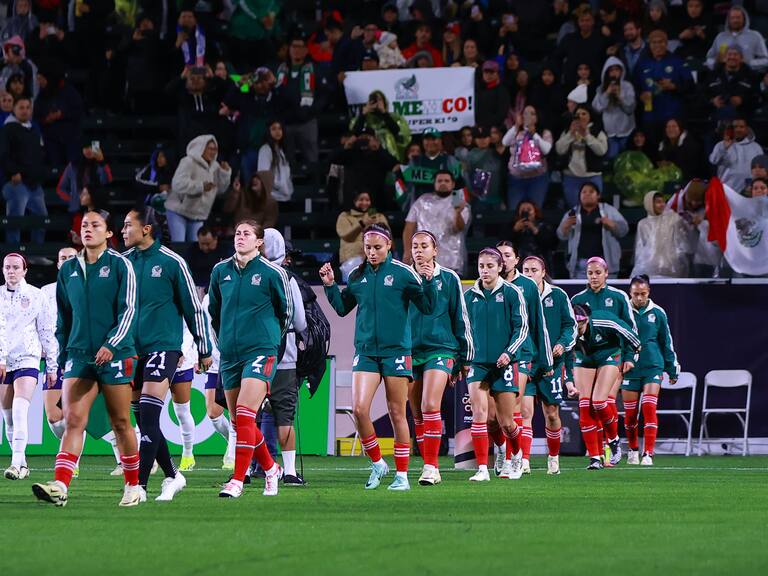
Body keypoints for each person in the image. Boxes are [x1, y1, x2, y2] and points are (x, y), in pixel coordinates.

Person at [32, 209, 141, 507]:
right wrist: (65, 354)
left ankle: (133, 485)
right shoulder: (67, 270)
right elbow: (63, 319)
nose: (88, 229)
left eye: (95, 225)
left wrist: (112, 343)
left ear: (109, 233)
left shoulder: (121, 265)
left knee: (120, 422)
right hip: (79, 356)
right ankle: (60, 486)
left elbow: (129, 310)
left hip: (116, 354)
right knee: (73, 421)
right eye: (84, 226)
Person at [320, 224, 436, 491]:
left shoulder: (404, 274)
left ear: (389, 246)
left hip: (396, 351)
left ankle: (403, 475)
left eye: (377, 247)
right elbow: (341, 309)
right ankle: (377, 462)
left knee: (397, 413)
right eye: (368, 247)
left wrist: (429, 283)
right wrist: (329, 286)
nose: (372, 252)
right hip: (366, 352)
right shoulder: (357, 276)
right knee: (359, 409)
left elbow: (427, 307)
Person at [121, 206, 212, 501]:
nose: (123, 231)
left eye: (127, 225)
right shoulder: (122, 264)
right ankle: (173, 476)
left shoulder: (173, 262)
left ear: (146, 229)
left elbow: (193, 308)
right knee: (144, 420)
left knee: (148, 416)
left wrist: (204, 347)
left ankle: (140, 487)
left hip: (164, 347)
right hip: (132, 351)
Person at [208, 220, 289, 498]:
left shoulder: (272, 272)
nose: (240, 237)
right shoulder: (220, 271)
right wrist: (222, 341)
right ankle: (271, 469)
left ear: (259, 242)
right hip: (230, 354)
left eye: (246, 234)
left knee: (245, 412)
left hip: (261, 350)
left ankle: (238, 480)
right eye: (237, 232)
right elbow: (215, 311)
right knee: (240, 422)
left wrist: (270, 341)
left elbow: (285, 312)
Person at [407, 230, 473, 485]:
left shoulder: (449, 278)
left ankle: (431, 468)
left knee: (430, 405)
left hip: (441, 349)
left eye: (424, 246)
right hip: (410, 351)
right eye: (415, 246)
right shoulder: (403, 277)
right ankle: (427, 463)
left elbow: (460, 317)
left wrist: (464, 357)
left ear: (435, 251)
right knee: (417, 414)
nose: (419, 250)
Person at [463, 247, 528, 482]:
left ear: (500, 267)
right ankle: (482, 469)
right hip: (478, 364)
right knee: (481, 416)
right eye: (481, 266)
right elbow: (463, 330)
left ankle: (517, 455)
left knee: (505, 421)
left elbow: (522, 329)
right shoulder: (469, 297)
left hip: (505, 364)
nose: (485, 270)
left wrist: (509, 353)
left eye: (490, 266)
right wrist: (464, 358)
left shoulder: (512, 293)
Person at [571, 257, 639, 468]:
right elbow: (567, 335)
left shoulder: (618, 297)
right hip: (585, 355)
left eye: (598, 272)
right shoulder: (578, 299)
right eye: (590, 273)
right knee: (585, 404)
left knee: (601, 402)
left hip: (610, 353)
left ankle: (613, 442)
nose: (593, 276)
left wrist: (629, 357)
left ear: (606, 274)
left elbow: (630, 330)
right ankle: (595, 456)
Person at [496, 242, 553, 475]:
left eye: (508, 255)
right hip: (494, 355)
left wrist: (546, 360)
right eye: (500, 256)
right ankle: (502, 451)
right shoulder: (488, 284)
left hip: (521, 353)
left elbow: (539, 325)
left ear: (516, 259)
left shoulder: (528, 286)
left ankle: (514, 458)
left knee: (514, 406)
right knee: (495, 414)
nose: (504, 260)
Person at [1, 253, 57, 480]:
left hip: (28, 358)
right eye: (7, 267)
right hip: (3, 361)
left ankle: (15, 463)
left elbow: (46, 331)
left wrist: (52, 365)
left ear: (25, 271)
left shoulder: (36, 295)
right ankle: (22, 464)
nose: (11, 271)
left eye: (16, 267)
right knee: (8, 417)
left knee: (20, 408)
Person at [521, 255, 577, 475]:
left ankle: (553, 458)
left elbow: (570, 326)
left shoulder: (558, 295)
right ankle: (523, 460)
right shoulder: (518, 294)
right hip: (527, 362)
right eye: (525, 270)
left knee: (551, 413)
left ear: (543, 272)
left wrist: (562, 344)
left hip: (552, 364)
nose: (529, 274)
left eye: (534, 270)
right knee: (525, 412)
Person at [263, 228, 307, 486]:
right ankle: (289, 471)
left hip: (251, 354)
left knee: (248, 414)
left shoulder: (241, 274)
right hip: (284, 356)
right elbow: (300, 322)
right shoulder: (287, 279)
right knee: (284, 414)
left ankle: (244, 471)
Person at [622, 275, 680, 467]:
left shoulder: (658, 313)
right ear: (630, 293)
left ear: (649, 292)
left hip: (653, 366)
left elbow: (666, 342)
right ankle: (633, 450)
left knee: (648, 407)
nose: (639, 298)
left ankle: (648, 453)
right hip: (629, 368)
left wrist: (672, 369)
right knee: (630, 416)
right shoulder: (623, 312)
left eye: (643, 294)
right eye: (636, 294)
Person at [1, 96, 49, 257]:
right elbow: (3, 154)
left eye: (28, 107)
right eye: (21, 107)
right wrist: (13, 172)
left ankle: (37, 254)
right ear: (14, 109)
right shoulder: (7, 129)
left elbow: (40, 155)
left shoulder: (33, 129)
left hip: (34, 184)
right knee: (15, 221)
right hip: (16, 183)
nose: (25, 110)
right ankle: (13, 257)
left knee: (42, 219)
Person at [40, 247, 78, 443]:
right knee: (54, 417)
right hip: (55, 359)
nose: (67, 260)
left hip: (80, 358)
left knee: (82, 413)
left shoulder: (87, 287)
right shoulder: (45, 292)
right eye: (63, 258)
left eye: (71, 257)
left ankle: (73, 460)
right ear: (57, 264)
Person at [403, 170, 471, 276]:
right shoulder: (422, 201)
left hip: (452, 261)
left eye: (446, 181)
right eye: (439, 181)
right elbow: (409, 227)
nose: (443, 183)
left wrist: (457, 212)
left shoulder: (458, 201)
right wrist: (407, 251)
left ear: (453, 184)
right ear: (434, 183)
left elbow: (459, 228)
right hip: (424, 260)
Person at [166, 135, 232, 242]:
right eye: (210, 149)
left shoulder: (215, 167)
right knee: (179, 245)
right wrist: (201, 186)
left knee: (194, 246)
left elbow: (220, 190)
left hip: (198, 215)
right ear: (201, 147)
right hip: (178, 211)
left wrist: (225, 174)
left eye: (215, 149)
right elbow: (177, 184)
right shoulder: (188, 161)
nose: (213, 152)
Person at [557, 182, 629, 279]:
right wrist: (565, 226)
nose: (587, 194)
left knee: (607, 294)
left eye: (591, 192)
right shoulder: (572, 212)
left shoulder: (608, 210)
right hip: (580, 265)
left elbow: (624, 230)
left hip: (605, 263)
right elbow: (561, 235)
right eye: (584, 192)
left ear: (598, 195)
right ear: (580, 196)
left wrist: (612, 224)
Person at [199, 292, 236, 469]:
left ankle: (233, 452)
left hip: (235, 360)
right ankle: (234, 442)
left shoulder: (238, 293)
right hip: (215, 362)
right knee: (213, 412)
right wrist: (200, 354)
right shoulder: (207, 299)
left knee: (236, 410)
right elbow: (202, 326)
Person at [636, 30, 693, 133]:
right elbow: (635, 87)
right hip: (650, 117)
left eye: (661, 42)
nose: (657, 45)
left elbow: (690, 86)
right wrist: (640, 95)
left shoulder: (678, 62)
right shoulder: (642, 64)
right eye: (654, 42)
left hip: (673, 116)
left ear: (666, 43)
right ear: (649, 45)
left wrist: (674, 86)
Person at [275, 35, 319, 165]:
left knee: (312, 159)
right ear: (289, 49)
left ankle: (314, 184)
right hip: (286, 123)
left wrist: (312, 111)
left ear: (306, 50)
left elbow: (323, 93)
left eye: (300, 47)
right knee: (286, 161)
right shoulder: (281, 69)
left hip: (307, 122)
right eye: (294, 46)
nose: (297, 50)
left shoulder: (314, 68)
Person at [555, 104, 608, 208]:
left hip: (592, 176)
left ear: (590, 116)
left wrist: (587, 136)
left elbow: (601, 151)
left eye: (584, 114)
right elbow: (559, 150)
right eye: (578, 114)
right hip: (571, 176)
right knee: (574, 209)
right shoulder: (567, 131)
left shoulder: (597, 131)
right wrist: (571, 134)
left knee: (591, 208)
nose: (580, 116)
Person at [502, 106, 553, 211]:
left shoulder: (544, 133)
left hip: (537, 179)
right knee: (515, 210)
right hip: (516, 180)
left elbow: (546, 150)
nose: (528, 116)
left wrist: (534, 133)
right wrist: (516, 126)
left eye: (532, 113)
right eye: (525, 113)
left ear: (537, 117)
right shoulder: (516, 132)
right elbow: (505, 142)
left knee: (535, 210)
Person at [632, 191, 690, 278]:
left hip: (672, 268)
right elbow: (640, 248)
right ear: (650, 204)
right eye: (658, 202)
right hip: (650, 268)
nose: (662, 204)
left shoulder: (672, 219)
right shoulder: (643, 224)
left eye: (663, 202)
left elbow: (683, 237)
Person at [336, 190, 390, 282]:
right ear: (354, 201)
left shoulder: (378, 216)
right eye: (361, 199)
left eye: (367, 200)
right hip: (352, 259)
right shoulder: (345, 216)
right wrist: (361, 224)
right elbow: (345, 235)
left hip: (377, 259)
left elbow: (388, 236)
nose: (364, 202)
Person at [592, 57, 636, 159]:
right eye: (611, 70)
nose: (614, 73)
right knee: (612, 160)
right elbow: (596, 109)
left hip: (627, 131)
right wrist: (607, 93)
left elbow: (630, 109)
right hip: (610, 133)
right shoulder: (601, 88)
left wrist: (620, 98)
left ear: (621, 71)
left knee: (626, 160)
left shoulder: (627, 86)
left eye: (617, 69)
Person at [350, 90, 411, 162]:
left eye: (379, 100)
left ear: (384, 102)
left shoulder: (394, 117)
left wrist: (384, 112)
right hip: (368, 158)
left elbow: (397, 132)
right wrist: (363, 114)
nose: (376, 103)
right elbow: (355, 133)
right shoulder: (362, 118)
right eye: (373, 100)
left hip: (389, 156)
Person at [705, 5, 768, 72]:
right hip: (723, 76)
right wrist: (716, 62)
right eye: (732, 18)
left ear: (744, 19)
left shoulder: (755, 36)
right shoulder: (720, 37)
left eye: (738, 18)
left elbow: (766, 61)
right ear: (728, 20)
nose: (735, 20)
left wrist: (749, 62)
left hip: (748, 76)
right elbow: (709, 59)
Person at [708, 117, 764, 192]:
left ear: (747, 129)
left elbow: (762, 169)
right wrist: (724, 148)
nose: (738, 130)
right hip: (727, 191)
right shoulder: (721, 145)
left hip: (749, 191)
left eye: (741, 127)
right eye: (735, 127)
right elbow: (713, 160)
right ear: (730, 129)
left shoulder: (756, 147)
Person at [706, 46, 760, 121]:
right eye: (729, 54)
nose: (732, 57)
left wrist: (742, 100)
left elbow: (757, 97)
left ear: (741, 59)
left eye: (735, 54)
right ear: (724, 58)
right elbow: (702, 94)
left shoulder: (751, 76)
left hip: (743, 115)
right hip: (715, 114)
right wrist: (712, 101)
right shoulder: (712, 74)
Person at [509, 200, 558, 280]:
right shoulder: (511, 225)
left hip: (541, 264)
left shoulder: (544, 225)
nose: (525, 212)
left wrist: (535, 230)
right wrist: (515, 230)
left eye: (529, 209)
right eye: (523, 210)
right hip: (518, 265)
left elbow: (551, 244)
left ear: (535, 212)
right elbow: (504, 244)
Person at [465, 125, 504, 206]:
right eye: (479, 138)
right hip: (479, 200)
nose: (482, 140)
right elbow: (466, 176)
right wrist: (474, 194)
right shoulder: (470, 156)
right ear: (474, 140)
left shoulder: (498, 153)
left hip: (498, 199)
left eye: (485, 137)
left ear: (490, 138)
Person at [657, 118, 704, 183]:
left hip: (689, 180)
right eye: (668, 127)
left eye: (674, 126)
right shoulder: (663, 144)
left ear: (680, 128)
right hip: (670, 179)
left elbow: (691, 167)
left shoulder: (690, 144)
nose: (671, 129)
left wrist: (670, 165)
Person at [256, 120, 293, 203]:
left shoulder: (281, 150)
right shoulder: (265, 149)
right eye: (274, 129)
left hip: (284, 196)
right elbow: (263, 174)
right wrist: (279, 186)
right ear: (268, 132)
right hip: (272, 197)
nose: (277, 132)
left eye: (280, 128)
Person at [476, 60, 510, 130]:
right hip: (479, 127)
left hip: (495, 128)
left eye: (491, 72)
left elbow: (502, 114)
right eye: (486, 72)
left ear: (497, 74)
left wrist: (485, 125)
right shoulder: (479, 89)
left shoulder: (502, 91)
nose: (488, 75)